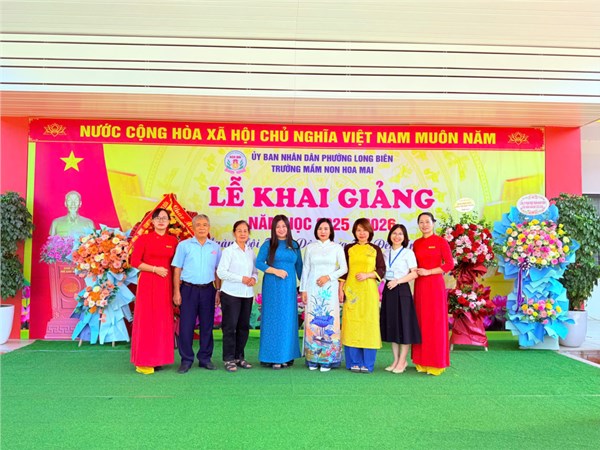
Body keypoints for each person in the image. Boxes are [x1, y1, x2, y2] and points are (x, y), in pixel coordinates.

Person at [129, 208, 178, 375]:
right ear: (152, 222)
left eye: (164, 218)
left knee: (162, 320)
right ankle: (144, 360)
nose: (161, 221)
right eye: (158, 218)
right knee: (147, 320)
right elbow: (134, 261)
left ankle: (159, 359)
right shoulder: (144, 239)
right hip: (148, 283)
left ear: (169, 221)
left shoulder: (173, 240)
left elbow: (175, 264)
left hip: (165, 284)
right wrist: (155, 269)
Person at [172, 214, 222, 374]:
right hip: (188, 290)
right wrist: (176, 292)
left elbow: (218, 271)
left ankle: (205, 358)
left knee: (207, 326)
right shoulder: (184, 246)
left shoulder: (215, 247)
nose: (202, 227)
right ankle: (186, 360)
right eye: (198, 225)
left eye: (205, 225)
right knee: (186, 326)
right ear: (193, 228)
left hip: (208, 290)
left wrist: (218, 290)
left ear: (209, 227)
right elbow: (177, 269)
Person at [300, 218, 348, 372]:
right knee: (312, 321)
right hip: (312, 288)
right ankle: (312, 358)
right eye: (320, 228)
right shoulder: (310, 247)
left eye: (326, 229)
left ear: (331, 231)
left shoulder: (337, 248)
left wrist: (328, 277)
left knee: (329, 320)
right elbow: (305, 269)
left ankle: (328, 359)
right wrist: (303, 290)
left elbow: (344, 268)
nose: (323, 231)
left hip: (329, 289)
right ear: (316, 231)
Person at [256, 215, 303, 369]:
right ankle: (271, 356)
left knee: (287, 319)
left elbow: (300, 267)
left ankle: (286, 355)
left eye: (284, 226)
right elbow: (258, 263)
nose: (281, 229)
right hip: (273, 287)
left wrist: (304, 288)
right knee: (273, 319)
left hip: (289, 288)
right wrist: (275, 271)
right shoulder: (268, 244)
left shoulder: (294, 245)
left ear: (288, 228)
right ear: (273, 229)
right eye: (278, 227)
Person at [340, 218, 386, 373]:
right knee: (352, 324)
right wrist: (340, 289)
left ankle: (367, 363)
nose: (362, 233)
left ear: (370, 232)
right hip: (351, 291)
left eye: (365, 230)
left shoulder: (375, 249)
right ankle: (353, 361)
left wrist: (368, 275)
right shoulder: (348, 248)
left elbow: (382, 269)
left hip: (368, 292)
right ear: (354, 232)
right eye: (358, 230)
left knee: (368, 324)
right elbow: (344, 271)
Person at [412, 212, 455, 376]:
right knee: (421, 321)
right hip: (420, 285)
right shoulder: (416, 243)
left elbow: (449, 264)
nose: (424, 225)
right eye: (421, 222)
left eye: (427, 222)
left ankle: (436, 362)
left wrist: (429, 271)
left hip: (435, 285)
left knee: (435, 322)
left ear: (433, 223)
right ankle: (421, 361)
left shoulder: (440, 242)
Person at [216, 220, 258, 372]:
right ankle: (228, 359)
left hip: (247, 294)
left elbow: (255, 271)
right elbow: (221, 272)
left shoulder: (250, 252)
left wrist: (253, 278)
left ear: (249, 233)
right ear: (234, 233)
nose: (242, 233)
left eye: (245, 231)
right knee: (230, 327)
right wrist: (242, 279)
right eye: (239, 231)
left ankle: (239, 357)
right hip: (231, 294)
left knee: (243, 327)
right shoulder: (228, 251)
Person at [380, 224, 421, 374]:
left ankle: (402, 361)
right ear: (390, 235)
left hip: (402, 290)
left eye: (400, 234)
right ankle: (395, 360)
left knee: (404, 327)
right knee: (392, 327)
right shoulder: (385, 253)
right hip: (388, 290)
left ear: (404, 237)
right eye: (394, 233)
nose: (397, 236)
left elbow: (414, 273)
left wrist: (398, 281)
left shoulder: (408, 253)